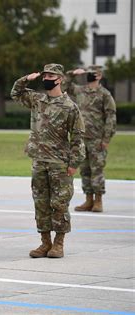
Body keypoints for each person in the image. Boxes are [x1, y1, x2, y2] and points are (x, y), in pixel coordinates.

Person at [11, 63, 85, 258]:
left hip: (59, 163)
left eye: (51, 76)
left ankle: (59, 244)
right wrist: (27, 79)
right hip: (39, 160)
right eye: (45, 76)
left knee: (59, 204)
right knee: (41, 204)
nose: (46, 79)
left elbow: (77, 137)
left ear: (60, 79)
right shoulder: (37, 100)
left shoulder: (70, 107)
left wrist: (74, 163)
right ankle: (45, 243)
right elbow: (15, 93)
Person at [65, 65, 117, 213]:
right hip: (81, 138)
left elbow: (111, 118)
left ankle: (98, 200)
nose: (89, 75)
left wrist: (106, 138)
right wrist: (72, 73)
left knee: (97, 170)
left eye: (92, 73)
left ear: (99, 75)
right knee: (85, 170)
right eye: (87, 73)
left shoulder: (105, 94)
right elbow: (64, 85)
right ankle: (88, 200)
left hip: (97, 139)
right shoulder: (81, 91)